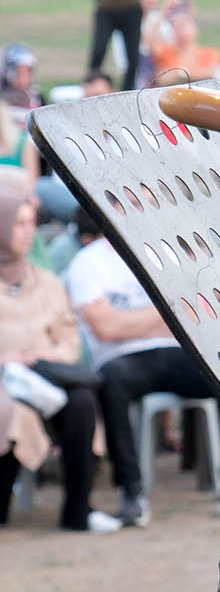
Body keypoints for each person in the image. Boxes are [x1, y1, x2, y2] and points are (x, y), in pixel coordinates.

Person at [67, 208, 220, 526]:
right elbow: (105, 329)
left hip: (178, 351)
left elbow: (199, 314)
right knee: (112, 382)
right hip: (122, 359)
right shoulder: (87, 263)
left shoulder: (166, 252)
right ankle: (131, 491)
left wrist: (132, 320)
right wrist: (167, 312)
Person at [0, 170, 121, 532]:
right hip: (6, 384)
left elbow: (69, 338)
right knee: (11, 408)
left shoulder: (46, 282)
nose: (26, 231)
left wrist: (48, 357)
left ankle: (77, 510)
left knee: (82, 400)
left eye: (29, 223)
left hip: (48, 378)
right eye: (17, 223)